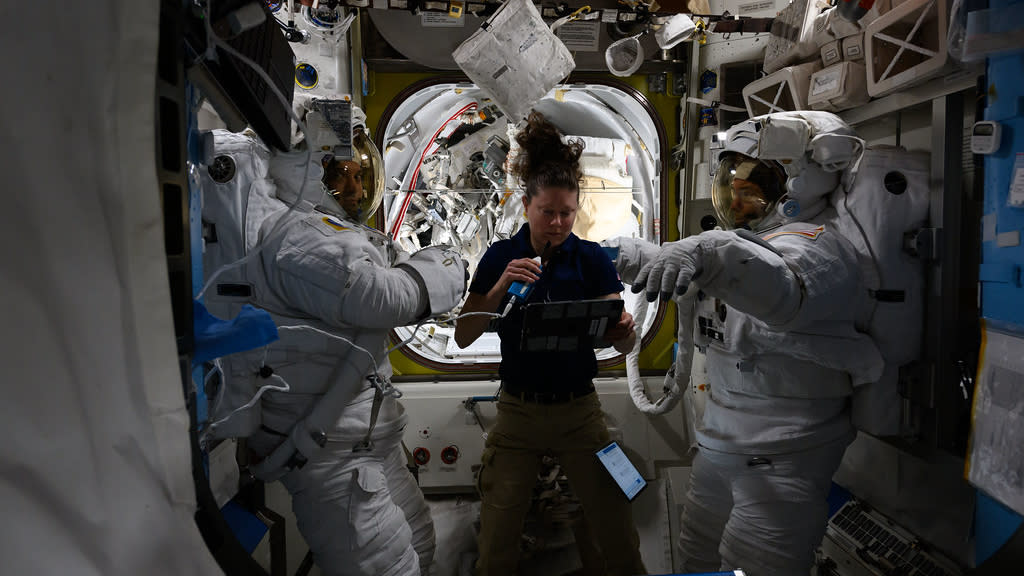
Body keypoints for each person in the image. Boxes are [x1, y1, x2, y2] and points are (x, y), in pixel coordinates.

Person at [616, 112, 885, 576]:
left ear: (799, 183)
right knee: (695, 556)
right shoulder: (746, 245)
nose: (738, 200)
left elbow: (782, 292)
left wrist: (708, 253)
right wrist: (653, 258)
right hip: (720, 445)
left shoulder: (819, 248)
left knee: (755, 565)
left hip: (782, 457)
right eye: (731, 185)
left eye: (753, 188)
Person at [200, 121, 468, 576]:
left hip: (367, 442)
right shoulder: (290, 235)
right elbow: (378, 295)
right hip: (334, 460)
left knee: (422, 548)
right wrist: (449, 263)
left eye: (360, 176)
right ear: (308, 168)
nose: (353, 187)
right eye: (340, 173)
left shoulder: (321, 231)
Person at [454, 111, 647, 576]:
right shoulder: (501, 255)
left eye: (566, 212)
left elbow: (621, 346)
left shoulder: (592, 260)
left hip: (579, 411)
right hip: (518, 413)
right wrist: (500, 285)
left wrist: (625, 331)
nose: (558, 223)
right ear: (526, 206)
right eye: (547, 212)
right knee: (498, 537)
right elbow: (463, 336)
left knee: (614, 531)